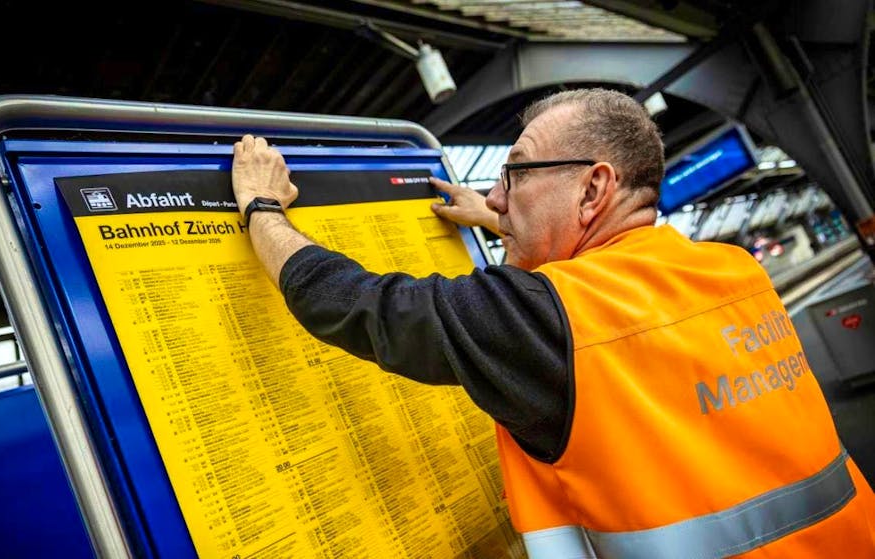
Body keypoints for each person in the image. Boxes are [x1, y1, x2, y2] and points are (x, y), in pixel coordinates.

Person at [230, 88, 875, 558]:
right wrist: (500, 218)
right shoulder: (732, 271)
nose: (498, 195)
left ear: (593, 190)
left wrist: (262, 207)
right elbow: (621, 295)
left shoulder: (547, 316)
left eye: (514, 174)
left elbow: (360, 304)